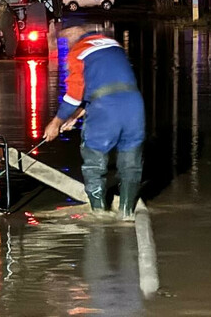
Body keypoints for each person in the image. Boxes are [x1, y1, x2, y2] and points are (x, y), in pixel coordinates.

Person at [43, 25, 145, 221]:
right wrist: (76, 116)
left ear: (71, 41)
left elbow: (74, 95)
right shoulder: (113, 45)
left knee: (94, 163)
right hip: (134, 105)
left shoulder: (78, 52)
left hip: (105, 112)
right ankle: (127, 213)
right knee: (131, 164)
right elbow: (108, 86)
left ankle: (98, 215)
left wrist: (56, 123)